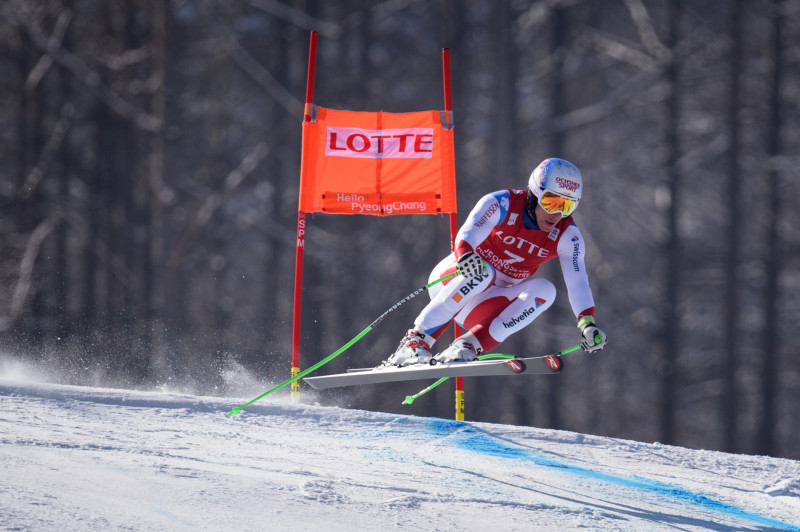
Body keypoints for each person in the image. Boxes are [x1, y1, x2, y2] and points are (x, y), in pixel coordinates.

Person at [385, 157, 607, 367]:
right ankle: (416, 340)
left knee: (546, 291)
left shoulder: (568, 235)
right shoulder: (501, 203)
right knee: (485, 272)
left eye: (567, 206)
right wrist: (465, 256)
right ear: (534, 194)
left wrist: (587, 322)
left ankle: (466, 347)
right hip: (455, 281)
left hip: (485, 303)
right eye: (550, 202)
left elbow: (578, 281)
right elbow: (467, 235)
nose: (557, 213)